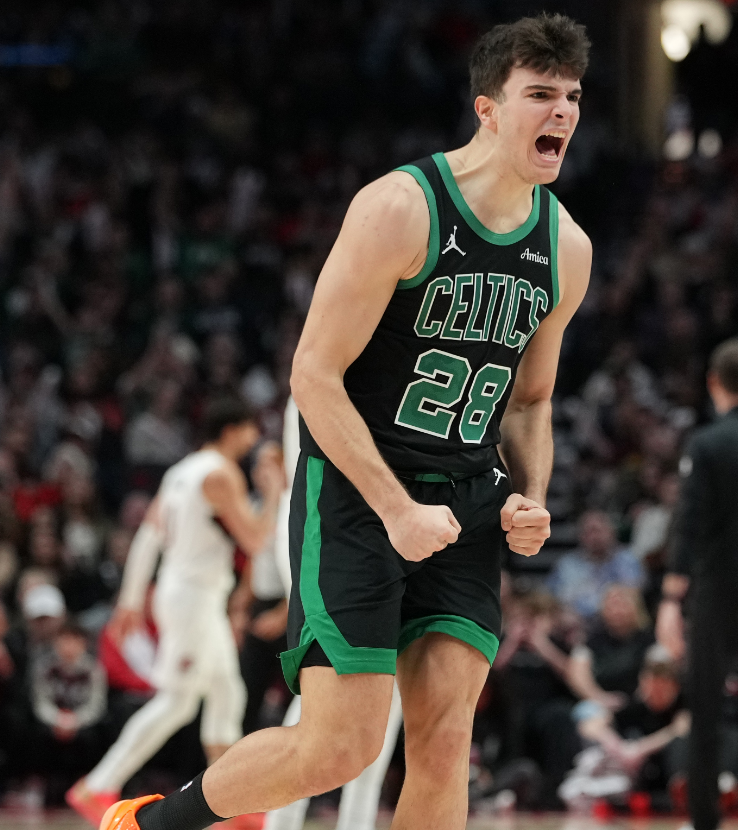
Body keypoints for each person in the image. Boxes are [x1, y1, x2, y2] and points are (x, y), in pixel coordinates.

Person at [99, 14, 593, 830]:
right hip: (361, 496)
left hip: (466, 502)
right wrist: (395, 508)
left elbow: (532, 400)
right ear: (488, 108)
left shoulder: (566, 247)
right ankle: (150, 824)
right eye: (540, 94)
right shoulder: (400, 207)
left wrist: (532, 494)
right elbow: (312, 375)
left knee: (444, 744)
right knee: (341, 746)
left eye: (572, 96)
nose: (563, 112)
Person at [66, 397, 284, 826]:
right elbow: (257, 540)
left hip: (188, 593)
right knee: (178, 701)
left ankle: (233, 799)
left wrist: (131, 599)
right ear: (231, 430)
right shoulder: (220, 474)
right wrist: (274, 491)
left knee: (228, 693)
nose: (254, 438)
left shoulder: (181, 471)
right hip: (194, 598)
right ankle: (97, 784)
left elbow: (149, 537)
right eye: (249, 429)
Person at [264, 397, 404, 830]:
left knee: (372, 686)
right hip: (331, 526)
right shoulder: (326, 375)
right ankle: (287, 821)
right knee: (335, 683)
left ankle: (335, 821)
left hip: (346, 525)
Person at [656, 337, 738, 830]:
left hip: (719, 591)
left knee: (706, 709)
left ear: (714, 384)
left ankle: (705, 820)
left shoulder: (708, 444)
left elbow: (688, 525)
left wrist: (670, 600)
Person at [560, 645, 690, 810]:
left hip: (667, 773)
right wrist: (613, 742)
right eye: (651, 683)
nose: (655, 691)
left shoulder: (682, 709)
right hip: (635, 778)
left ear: (675, 687)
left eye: (663, 685)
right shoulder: (632, 707)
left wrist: (640, 749)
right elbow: (589, 726)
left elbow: (680, 729)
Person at [547, 510, 644, 621]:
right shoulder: (567, 565)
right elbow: (552, 599)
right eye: (588, 532)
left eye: (598, 531)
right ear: (580, 536)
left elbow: (634, 595)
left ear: (612, 532)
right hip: (576, 623)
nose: (594, 537)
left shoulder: (627, 560)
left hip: (615, 621)